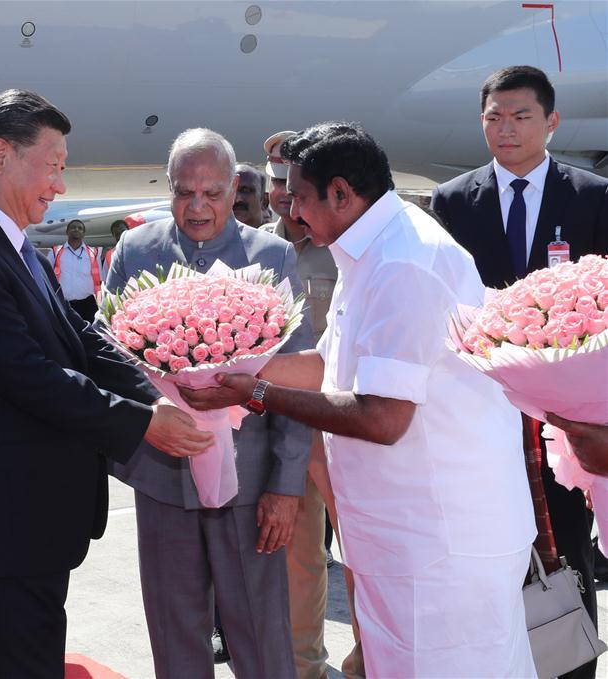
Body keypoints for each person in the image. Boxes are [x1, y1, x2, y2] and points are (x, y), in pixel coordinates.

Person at [180, 122, 537, 677]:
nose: (292, 212)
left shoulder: (403, 261)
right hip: (402, 538)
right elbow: (330, 366)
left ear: (342, 193)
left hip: (440, 545)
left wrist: (258, 393)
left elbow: (383, 416)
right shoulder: (369, 247)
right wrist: (227, 365)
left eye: (300, 197)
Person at [0, 89, 212, 678]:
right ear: (1, 157)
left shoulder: (9, 242)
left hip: (25, 533)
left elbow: (81, 337)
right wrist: (144, 424)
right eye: (52, 166)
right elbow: (32, 377)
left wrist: (152, 393)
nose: (60, 186)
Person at [105, 128, 313, 679]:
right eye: (183, 191)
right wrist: (152, 414)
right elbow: (110, 354)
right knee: (174, 633)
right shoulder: (136, 251)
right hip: (162, 477)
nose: (197, 206)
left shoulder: (272, 256)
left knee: (262, 635)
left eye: (212, 193)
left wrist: (287, 486)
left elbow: (298, 381)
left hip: (250, 484)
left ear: (234, 188)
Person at [431, 66, 608, 679]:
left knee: (566, 553)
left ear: (551, 122)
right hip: (481, 416)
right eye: (493, 117)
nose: (505, 129)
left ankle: (570, 666)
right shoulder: (453, 201)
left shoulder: (591, 197)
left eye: (520, 116)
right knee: (488, 556)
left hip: (564, 427)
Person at [262, 130, 343, 679]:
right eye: (275, 183)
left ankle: (370, 659)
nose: (285, 195)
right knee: (297, 558)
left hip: (342, 423)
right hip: (279, 424)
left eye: (293, 183)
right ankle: (302, 667)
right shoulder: (253, 250)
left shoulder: (342, 247)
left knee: (362, 553)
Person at [47, 219, 102, 322]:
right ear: (67, 231)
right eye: (73, 227)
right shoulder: (55, 252)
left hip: (88, 304)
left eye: (80, 228)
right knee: (67, 336)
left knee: (91, 335)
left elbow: (99, 279)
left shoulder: (93, 253)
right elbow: (47, 277)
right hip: (64, 303)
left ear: (83, 233)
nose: (76, 229)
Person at [232, 162, 268, 227]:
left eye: (246, 191)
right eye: (232, 190)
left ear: (264, 201)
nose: (237, 199)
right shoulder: (210, 236)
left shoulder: (275, 236)